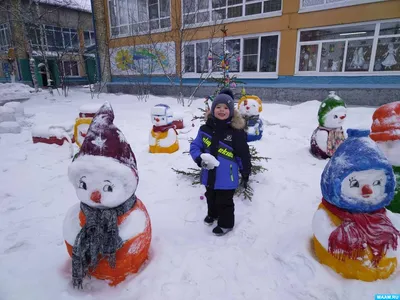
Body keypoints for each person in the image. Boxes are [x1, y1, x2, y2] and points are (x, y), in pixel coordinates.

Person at [190, 88, 251, 236]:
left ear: (230, 111)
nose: (221, 110)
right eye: (218, 107)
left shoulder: (235, 132)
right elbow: (195, 146)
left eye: (225, 108)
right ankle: (213, 214)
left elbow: (243, 155)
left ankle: (226, 223)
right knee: (210, 196)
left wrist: (245, 172)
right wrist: (199, 158)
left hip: (227, 177)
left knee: (224, 202)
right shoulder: (205, 129)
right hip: (209, 174)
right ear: (213, 109)